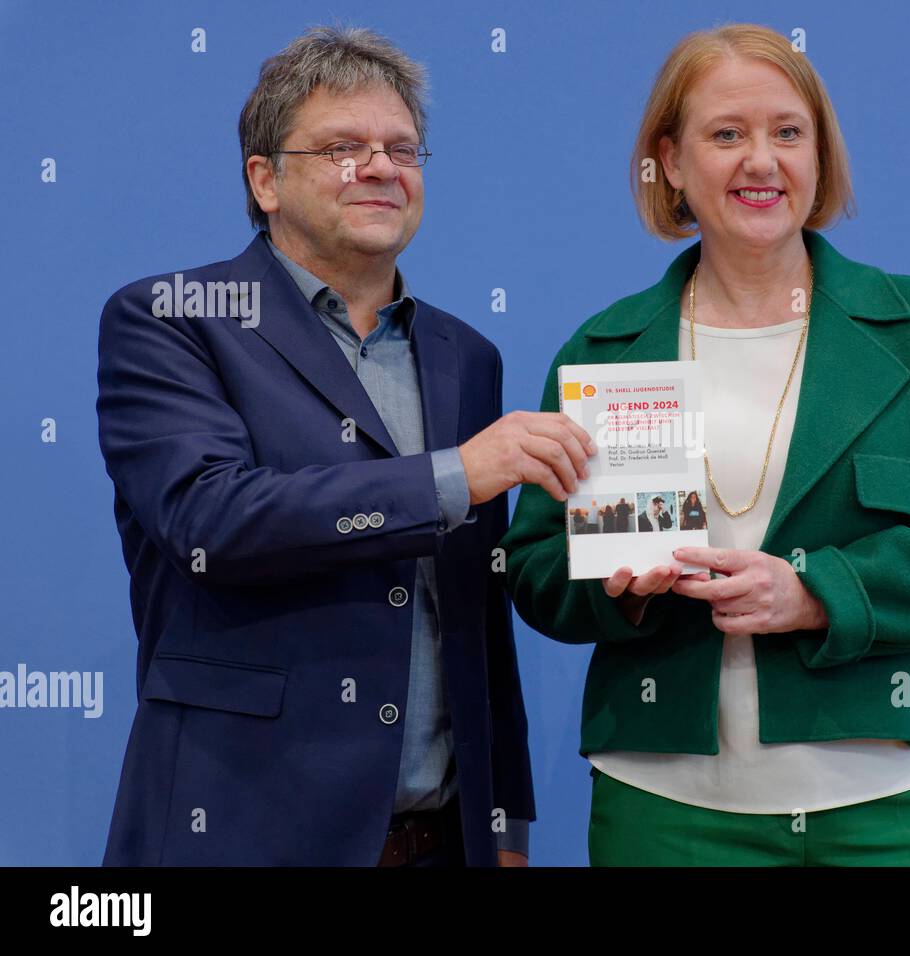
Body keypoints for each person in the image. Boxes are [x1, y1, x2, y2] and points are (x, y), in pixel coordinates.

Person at [499, 23, 910, 866]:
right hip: (666, 810)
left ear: (819, 156)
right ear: (671, 163)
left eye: (788, 132)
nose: (762, 161)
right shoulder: (605, 350)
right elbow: (534, 566)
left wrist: (818, 593)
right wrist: (625, 594)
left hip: (890, 803)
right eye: (727, 134)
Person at [96, 25, 596, 867]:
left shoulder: (466, 356)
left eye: (403, 149)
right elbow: (210, 520)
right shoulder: (174, 318)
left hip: (442, 839)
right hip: (241, 828)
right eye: (341, 148)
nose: (380, 168)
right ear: (265, 180)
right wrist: (452, 478)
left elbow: (474, 613)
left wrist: (504, 822)